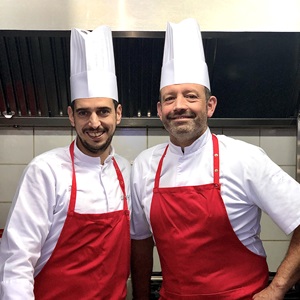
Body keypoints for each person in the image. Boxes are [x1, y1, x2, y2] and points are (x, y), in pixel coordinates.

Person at [130, 18, 300, 300]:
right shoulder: (145, 165)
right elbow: (140, 241)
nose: (180, 106)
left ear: (210, 106)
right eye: (170, 98)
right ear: (160, 110)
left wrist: (276, 289)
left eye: (190, 96)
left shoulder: (244, 158)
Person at [0, 25, 131, 299]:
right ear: (71, 116)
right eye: (84, 113)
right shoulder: (45, 171)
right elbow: (16, 263)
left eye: (103, 111)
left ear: (118, 114)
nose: (94, 123)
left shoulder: (127, 171)